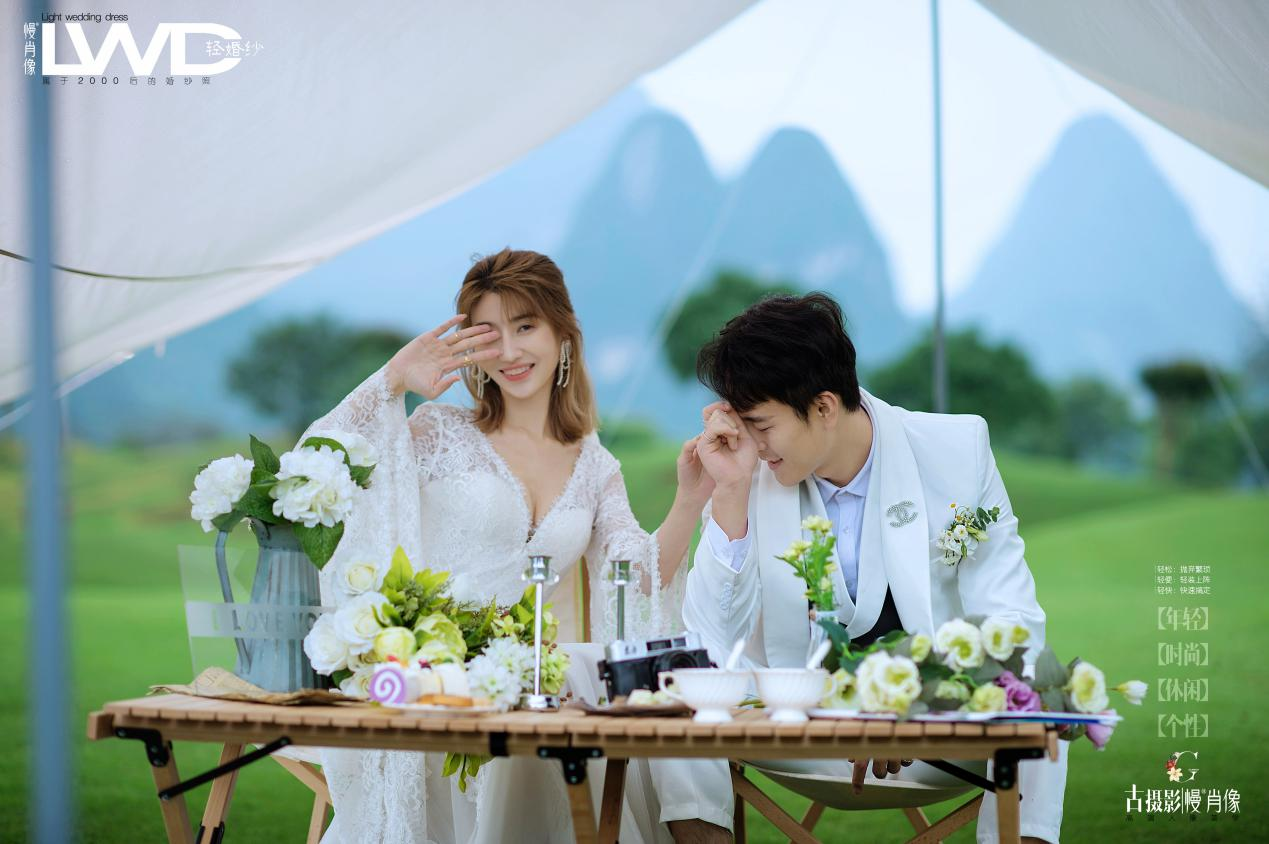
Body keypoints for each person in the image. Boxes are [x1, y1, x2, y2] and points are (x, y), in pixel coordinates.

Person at [302, 248, 731, 843]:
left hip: (529, 688)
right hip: (429, 687)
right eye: (489, 334)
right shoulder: (436, 431)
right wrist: (393, 379)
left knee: (567, 714)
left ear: (562, 334)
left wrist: (689, 498)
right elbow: (319, 464)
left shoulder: (594, 465)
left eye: (525, 327)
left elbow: (636, 577)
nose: (508, 351)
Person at [683, 292, 1068, 844]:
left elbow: (1013, 623)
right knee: (680, 698)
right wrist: (729, 491)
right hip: (791, 730)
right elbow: (707, 641)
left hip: (933, 738)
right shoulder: (748, 471)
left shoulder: (956, 452)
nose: (752, 443)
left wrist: (913, 701)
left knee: (1036, 690)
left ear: (823, 407)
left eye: (761, 424)